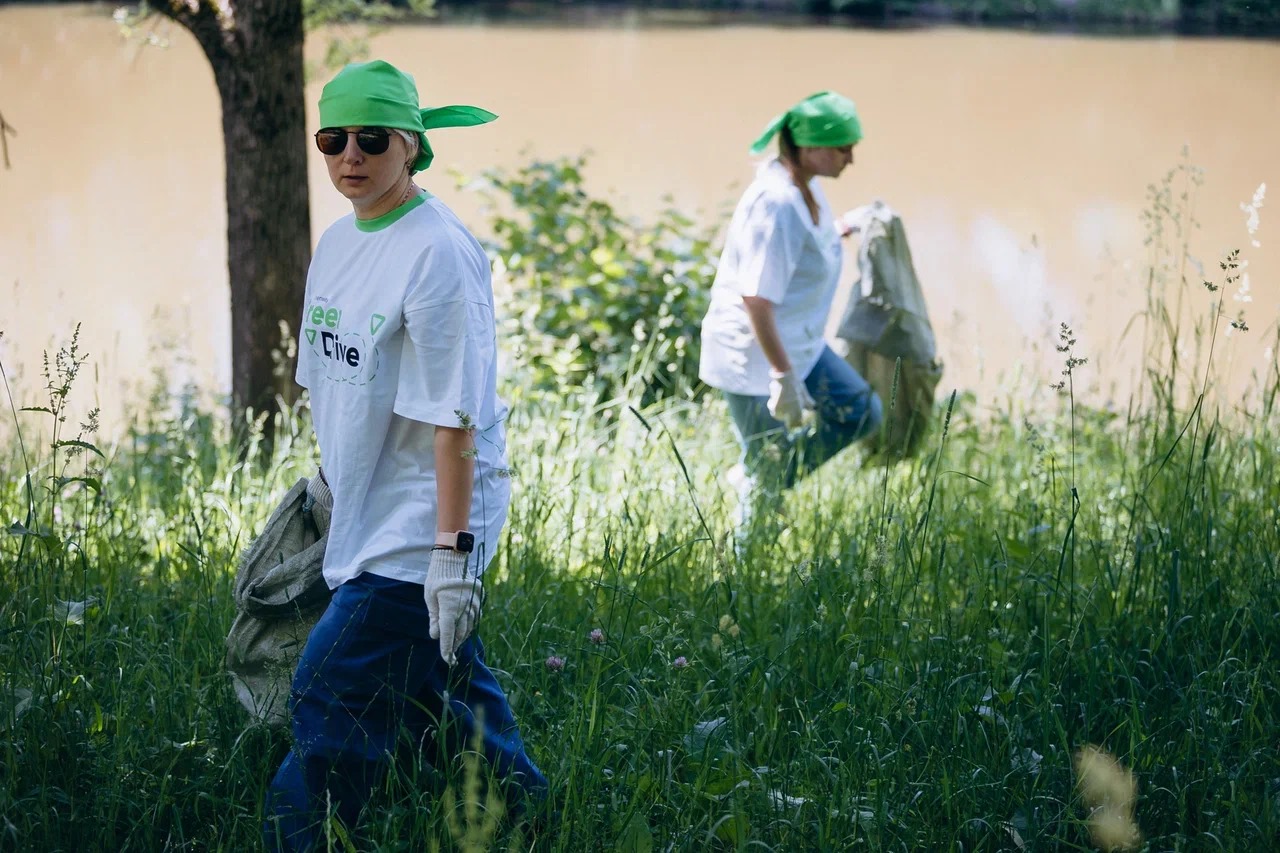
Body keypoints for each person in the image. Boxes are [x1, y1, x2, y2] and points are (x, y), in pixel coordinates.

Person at [263, 60, 547, 850]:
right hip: (369, 504)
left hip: (427, 516)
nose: (349, 154)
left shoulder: (438, 253)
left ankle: (308, 834)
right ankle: (523, 809)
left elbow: (454, 419)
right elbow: (342, 385)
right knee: (433, 685)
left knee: (326, 690)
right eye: (332, 137)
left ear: (413, 146)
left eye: (372, 137)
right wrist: (328, 485)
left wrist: (451, 560)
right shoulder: (339, 240)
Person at [698, 91, 884, 541]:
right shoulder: (776, 202)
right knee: (766, 467)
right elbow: (756, 299)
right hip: (756, 357)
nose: (851, 158)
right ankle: (745, 580)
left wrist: (846, 226)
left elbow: (801, 246)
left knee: (861, 412)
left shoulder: (807, 187)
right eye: (842, 147)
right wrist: (782, 376)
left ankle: (760, 481)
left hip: (798, 344)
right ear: (809, 148)